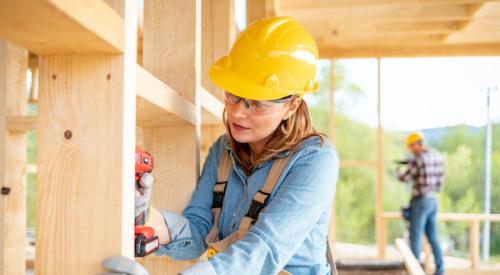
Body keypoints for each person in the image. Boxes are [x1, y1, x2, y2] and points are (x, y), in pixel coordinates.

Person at [103, 17, 339, 275]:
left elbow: (265, 248)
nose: (237, 113)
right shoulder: (223, 150)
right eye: (233, 95)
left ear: (291, 106)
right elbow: (197, 228)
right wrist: (144, 218)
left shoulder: (316, 160)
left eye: (257, 103)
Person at [397, 132, 445, 275]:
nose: (411, 150)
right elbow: (440, 183)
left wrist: (398, 171)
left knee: (415, 236)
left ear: (416, 144)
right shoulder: (437, 157)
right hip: (433, 200)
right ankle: (440, 270)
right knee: (433, 236)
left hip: (420, 201)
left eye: (411, 146)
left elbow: (405, 178)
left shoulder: (418, 160)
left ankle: (414, 270)